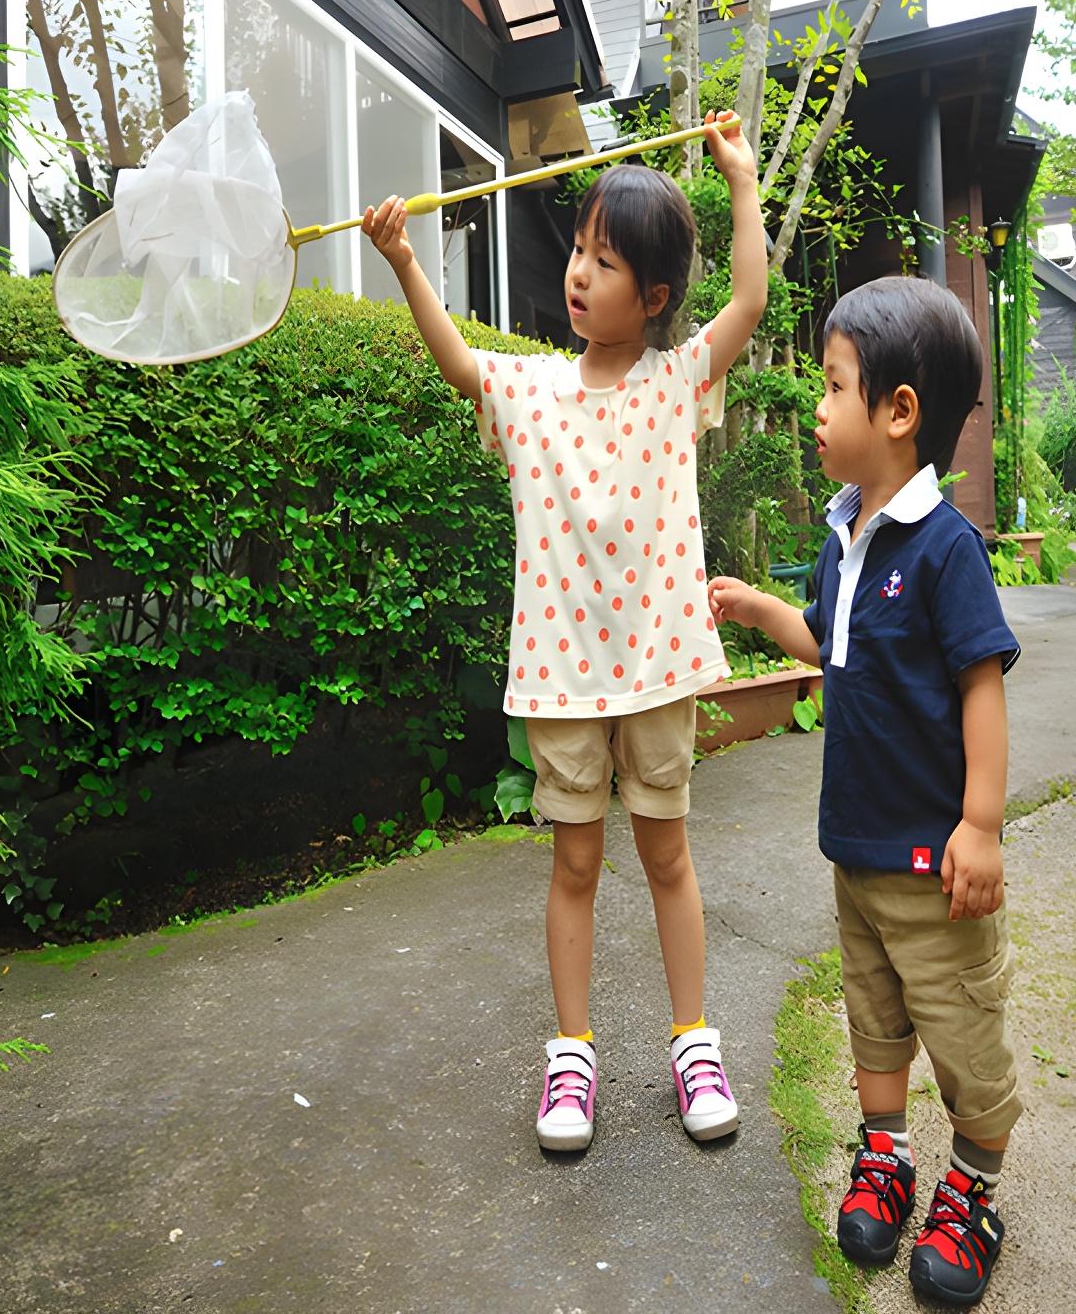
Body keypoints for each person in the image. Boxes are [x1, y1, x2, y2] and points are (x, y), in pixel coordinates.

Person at [359, 111, 768, 1153]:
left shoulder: (677, 385)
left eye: (604, 261)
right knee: (574, 868)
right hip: (558, 678)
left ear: (656, 297)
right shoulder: (533, 389)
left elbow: (752, 300)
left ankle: (691, 1041)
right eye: (579, 252)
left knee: (668, 859)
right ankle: (571, 1057)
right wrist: (405, 262)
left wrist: (741, 185)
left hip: (658, 666)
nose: (579, 274)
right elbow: (460, 363)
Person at [707, 277, 1022, 1307]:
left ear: (897, 412)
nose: (814, 404)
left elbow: (981, 686)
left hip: (934, 868)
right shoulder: (843, 537)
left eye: (830, 384)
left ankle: (970, 1190)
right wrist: (761, 609)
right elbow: (827, 646)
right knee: (874, 1025)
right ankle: (883, 1158)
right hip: (855, 856)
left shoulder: (945, 549)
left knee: (962, 1035)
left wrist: (980, 824)